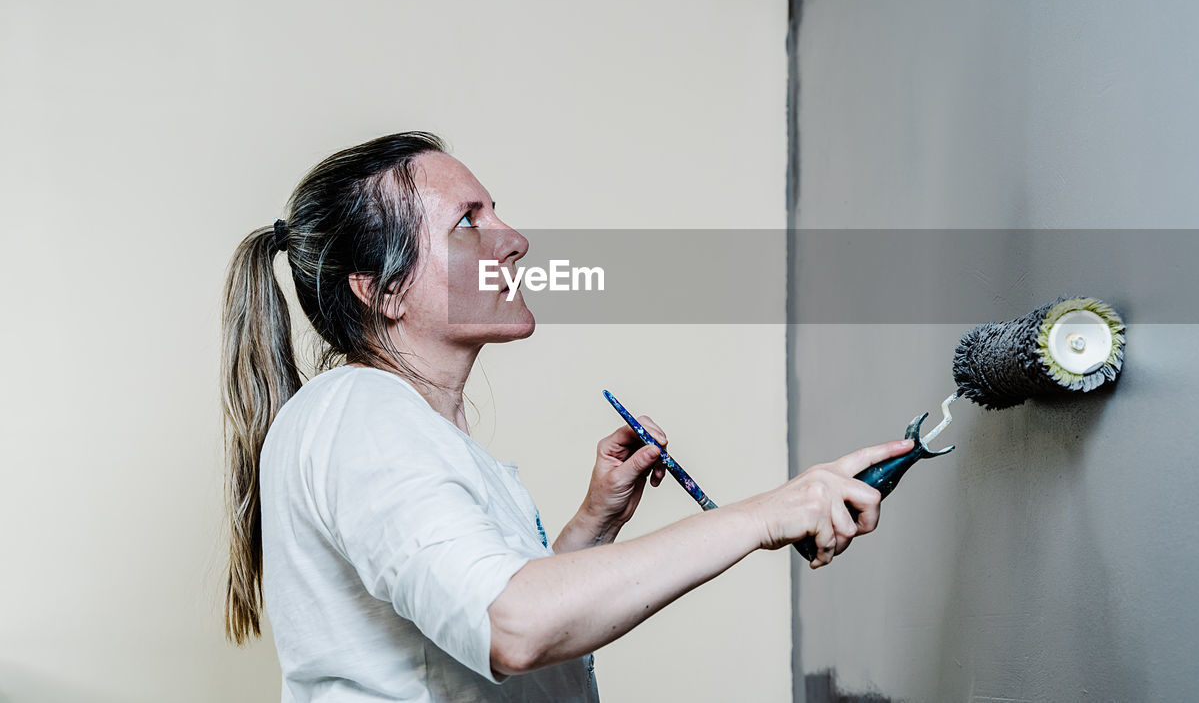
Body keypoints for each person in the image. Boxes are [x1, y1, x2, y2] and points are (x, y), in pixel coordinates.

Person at [220, 131, 914, 702]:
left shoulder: (403, 429)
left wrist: (593, 524)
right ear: (384, 290)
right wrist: (769, 513)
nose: (514, 238)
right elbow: (513, 627)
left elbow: (492, 629)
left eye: (495, 212)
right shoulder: (359, 414)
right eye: (469, 221)